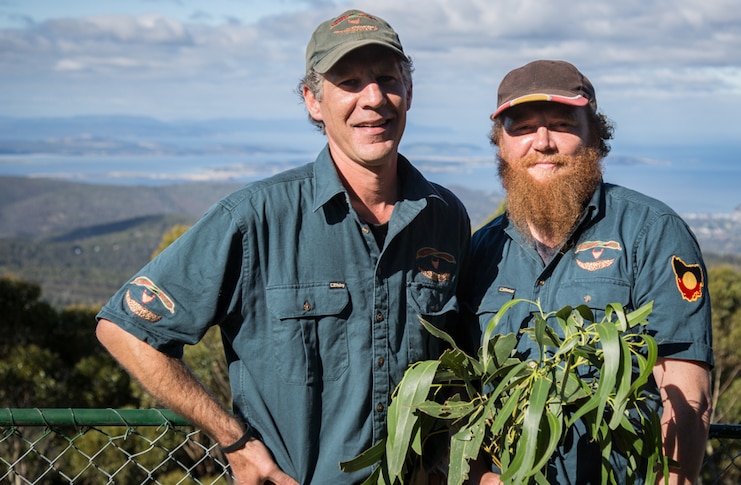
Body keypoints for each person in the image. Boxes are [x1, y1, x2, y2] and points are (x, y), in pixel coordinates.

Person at [95, 9, 470, 485]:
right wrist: (233, 440)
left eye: (386, 79)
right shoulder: (254, 217)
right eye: (349, 82)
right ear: (314, 101)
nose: (373, 99)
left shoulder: (445, 216)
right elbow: (124, 329)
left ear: (409, 92)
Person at [460, 60, 713, 484]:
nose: (542, 142)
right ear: (500, 145)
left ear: (595, 133)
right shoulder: (481, 250)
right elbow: (463, 396)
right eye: (520, 128)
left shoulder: (652, 233)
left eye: (562, 123)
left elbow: (686, 393)